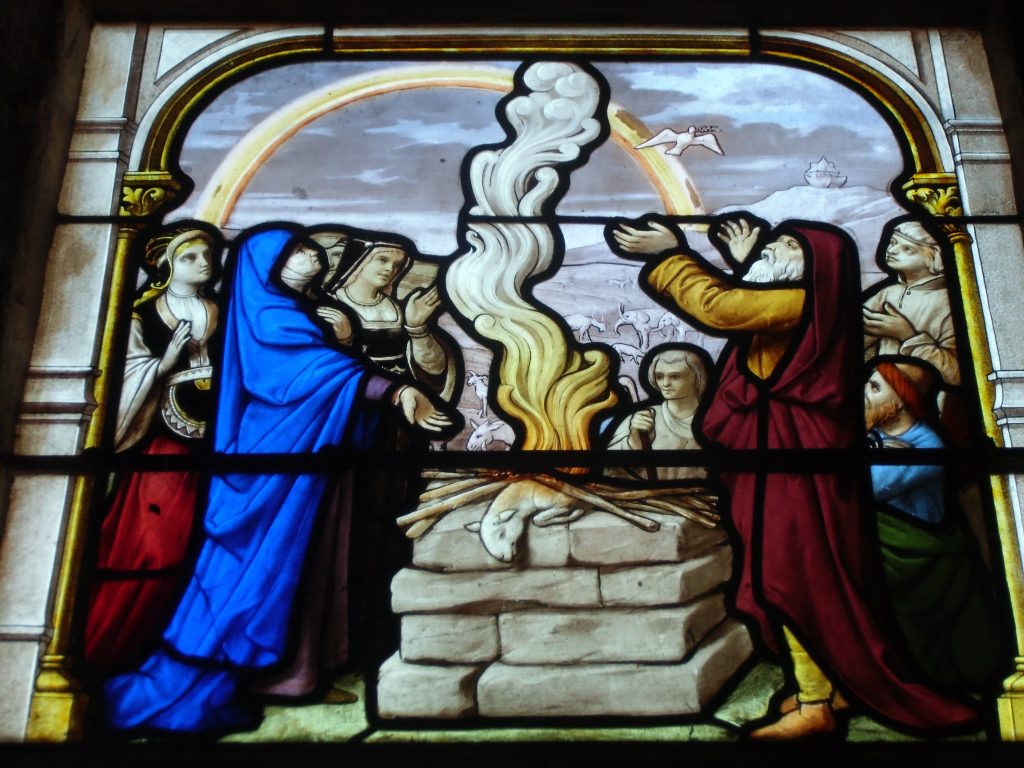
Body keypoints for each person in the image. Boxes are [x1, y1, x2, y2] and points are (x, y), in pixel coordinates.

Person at [609, 215, 976, 739]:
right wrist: (744, 262)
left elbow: (721, 307)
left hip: (799, 465)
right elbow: (752, 306)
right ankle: (836, 682)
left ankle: (815, 705)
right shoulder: (795, 305)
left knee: (793, 577)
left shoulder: (804, 301)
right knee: (789, 575)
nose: (768, 247)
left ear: (814, 268)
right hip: (778, 459)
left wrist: (669, 253)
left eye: (784, 245)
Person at [103, 227, 452, 734]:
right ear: (269, 266)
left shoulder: (289, 310)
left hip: (306, 454)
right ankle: (221, 676)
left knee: (304, 565)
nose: (312, 256)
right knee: (262, 571)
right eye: (297, 250)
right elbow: (309, 373)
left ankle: (291, 675)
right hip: (271, 462)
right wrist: (394, 393)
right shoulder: (270, 314)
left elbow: (325, 369)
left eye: (308, 249)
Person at [83, 226, 220, 671]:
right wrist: (163, 365)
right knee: (155, 549)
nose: (204, 263)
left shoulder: (220, 310)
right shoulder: (142, 314)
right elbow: (123, 374)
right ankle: (109, 650)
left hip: (218, 443)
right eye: (190, 257)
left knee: (206, 548)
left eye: (207, 255)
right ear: (166, 265)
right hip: (161, 441)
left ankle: (181, 653)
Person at [865, 358, 1004, 690]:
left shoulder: (929, 447)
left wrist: (875, 449)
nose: (864, 394)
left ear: (901, 400)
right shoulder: (877, 434)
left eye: (874, 388)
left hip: (926, 562)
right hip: (899, 554)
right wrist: (878, 445)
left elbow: (866, 488)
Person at [317, 237, 456, 401]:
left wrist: (417, 327)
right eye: (383, 260)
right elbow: (317, 367)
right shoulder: (331, 305)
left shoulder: (400, 310)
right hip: (353, 397)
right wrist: (343, 341)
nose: (390, 268)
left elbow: (434, 372)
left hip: (400, 399)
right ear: (361, 261)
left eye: (397, 264)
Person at [863, 221, 958, 386]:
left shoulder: (948, 301)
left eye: (908, 249)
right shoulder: (888, 293)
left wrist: (907, 336)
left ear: (935, 259)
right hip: (878, 387)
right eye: (893, 243)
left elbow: (955, 374)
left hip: (924, 394)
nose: (892, 250)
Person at [606, 345, 708, 481]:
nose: (665, 383)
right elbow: (606, 470)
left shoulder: (715, 420)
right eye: (659, 376)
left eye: (675, 376)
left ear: (698, 377)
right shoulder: (643, 418)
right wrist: (634, 443)